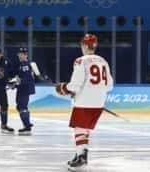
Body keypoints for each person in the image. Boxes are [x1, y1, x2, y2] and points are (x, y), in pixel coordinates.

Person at [55, 34, 114, 171]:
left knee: (79, 128)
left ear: (84, 45)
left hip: (84, 102)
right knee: (85, 128)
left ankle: (81, 156)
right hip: (99, 102)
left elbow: (75, 85)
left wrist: (64, 88)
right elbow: (110, 85)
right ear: (95, 45)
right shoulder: (103, 60)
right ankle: (80, 154)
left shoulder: (80, 61)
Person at [10, 48, 35, 135]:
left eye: (23, 54)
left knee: (22, 107)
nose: (20, 55)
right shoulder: (22, 64)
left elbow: (26, 78)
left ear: (26, 55)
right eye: (20, 53)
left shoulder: (25, 65)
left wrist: (16, 83)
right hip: (22, 89)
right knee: (20, 106)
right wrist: (15, 84)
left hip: (25, 89)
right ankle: (26, 124)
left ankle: (27, 126)